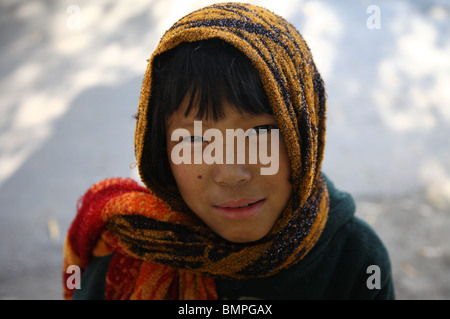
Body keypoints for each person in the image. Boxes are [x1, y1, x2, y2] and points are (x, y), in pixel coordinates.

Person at [63, 2, 395, 300]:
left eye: (261, 132)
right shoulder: (130, 256)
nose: (231, 174)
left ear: (305, 134)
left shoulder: (354, 260)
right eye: (194, 140)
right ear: (159, 151)